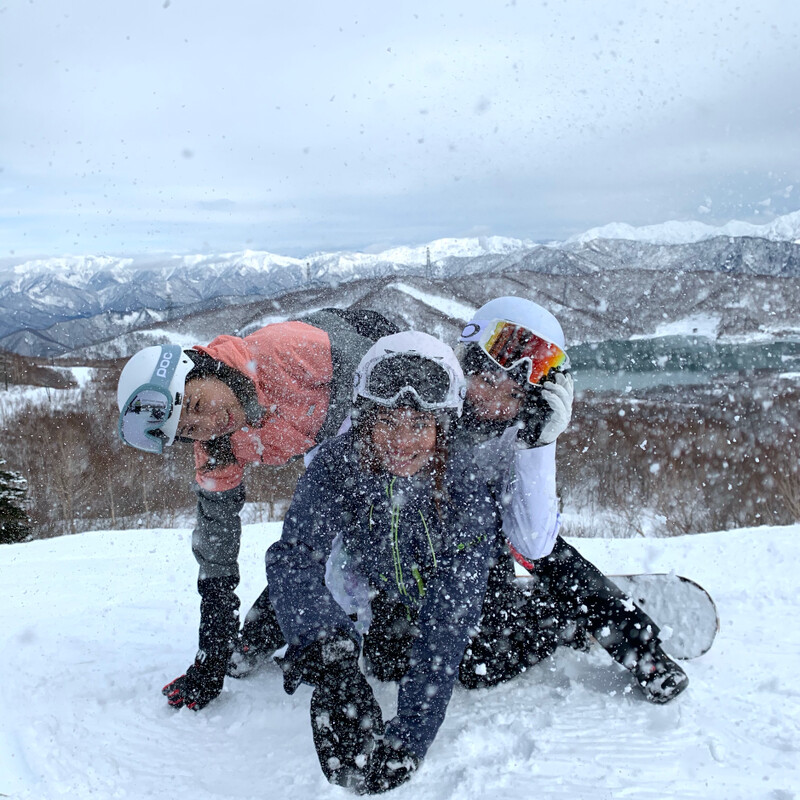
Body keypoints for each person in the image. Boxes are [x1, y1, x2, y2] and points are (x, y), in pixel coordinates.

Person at [115, 308, 398, 711]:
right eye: (190, 429)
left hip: (373, 378)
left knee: (359, 545)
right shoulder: (217, 447)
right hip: (329, 445)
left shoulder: (285, 351)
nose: (209, 422)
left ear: (204, 367)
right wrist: (211, 656)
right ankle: (267, 627)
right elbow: (216, 547)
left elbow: (385, 380)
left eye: (196, 403)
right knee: (306, 551)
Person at [265, 332, 498, 793]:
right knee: (381, 659)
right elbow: (294, 556)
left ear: (442, 427)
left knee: (485, 662)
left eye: (420, 424)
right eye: (388, 421)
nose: (401, 440)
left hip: (466, 601)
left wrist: (411, 735)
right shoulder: (339, 465)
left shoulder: (464, 486)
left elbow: (448, 619)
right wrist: (332, 661)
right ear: (365, 420)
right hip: (386, 593)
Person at [452, 296, 689, 703]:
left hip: (487, 540)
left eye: (513, 395)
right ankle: (558, 617)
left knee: (550, 563)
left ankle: (640, 648)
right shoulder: (423, 415)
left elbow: (533, 543)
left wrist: (538, 445)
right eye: (487, 382)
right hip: (438, 544)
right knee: (478, 666)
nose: (494, 402)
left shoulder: (516, 432)